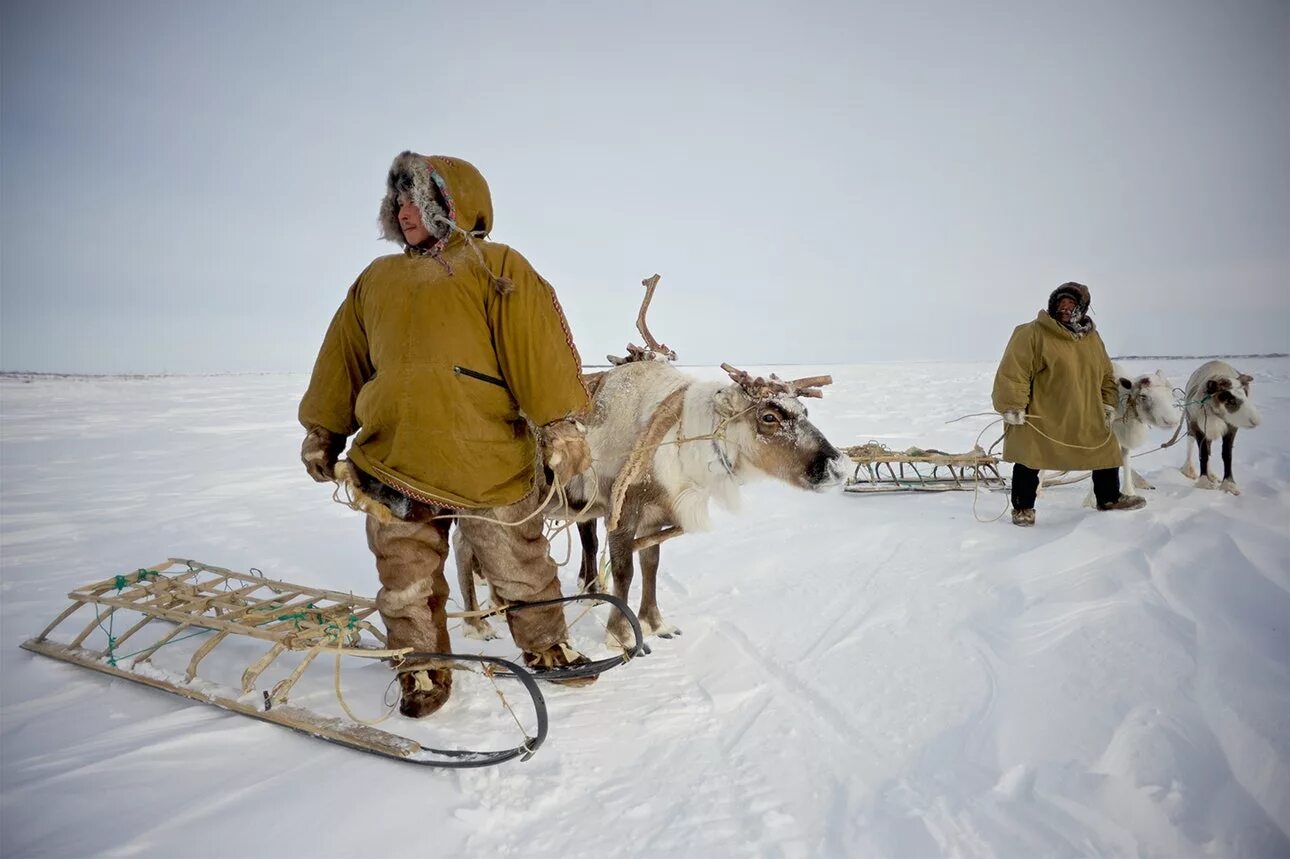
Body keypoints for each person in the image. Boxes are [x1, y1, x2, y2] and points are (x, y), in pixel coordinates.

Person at [299, 151, 594, 717]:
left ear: (452, 204)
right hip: (393, 457)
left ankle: (546, 644)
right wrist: (324, 429)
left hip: (484, 456)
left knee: (518, 563)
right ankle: (421, 666)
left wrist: (562, 424)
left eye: (420, 199)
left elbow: (537, 348)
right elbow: (344, 359)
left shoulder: (497, 266)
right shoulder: (375, 280)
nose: (406, 211)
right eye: (399, 200)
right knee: (403, 575)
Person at [992, 282, 1146, 526]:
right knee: (1030, 455)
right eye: (1061, 304)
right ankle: (1023, 508)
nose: (1065, 309)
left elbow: (1106, 375)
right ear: (1053, 305)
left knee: (1105, 451)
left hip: (1086, 411)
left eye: (1071, 305)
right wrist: (1012, 405)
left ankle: (1108, 498)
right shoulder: (1031, 333)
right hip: (1042, 414)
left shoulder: (1092, 338)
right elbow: (1014, 372)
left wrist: (1108, 404)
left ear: (1082, 308)